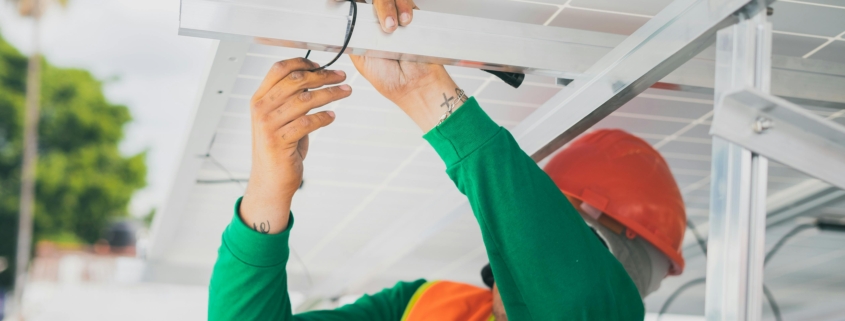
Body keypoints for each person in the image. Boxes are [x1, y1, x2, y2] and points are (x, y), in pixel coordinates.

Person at [208, 1, 686, 320]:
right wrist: (269, 190)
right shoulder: (422, 306)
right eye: (545, 214)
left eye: (567, 229)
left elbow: (574, 297)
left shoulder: (603, 307)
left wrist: (431, 97)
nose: (536, 242)